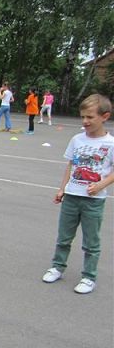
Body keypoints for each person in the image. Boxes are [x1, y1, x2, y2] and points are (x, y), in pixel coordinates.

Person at [42, 94, 114, 294]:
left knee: (91, 241)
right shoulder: (77, 139)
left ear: (105, 116)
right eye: (83, 117)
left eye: (90, 117)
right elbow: (71, 165)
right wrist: (62, 188)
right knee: (64, 237)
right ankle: (57, 267)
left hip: (93, 201)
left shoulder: (110, 143)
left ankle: (89, 277)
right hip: (72, 196)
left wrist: (101, 185)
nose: (85, 121)